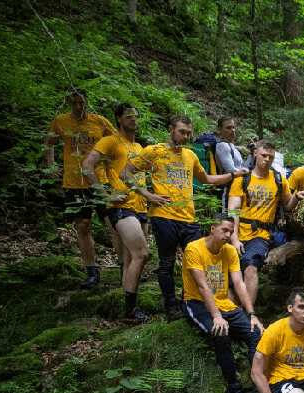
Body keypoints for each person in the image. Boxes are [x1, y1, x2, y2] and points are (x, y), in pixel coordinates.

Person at [122, 114, 248, 320]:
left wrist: (234, 174)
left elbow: (207, 179)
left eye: (189, 133)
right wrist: (147, 194)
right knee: (167, 264)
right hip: (163, 216)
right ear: (170, 129)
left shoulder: (190, 155)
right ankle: (172, 307)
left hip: (188, 218)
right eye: (182, 131)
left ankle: (195, 301)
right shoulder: (153, 151)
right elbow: (125, 173)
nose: (186, 136)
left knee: (201, 259)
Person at [182, 213, 264, 393]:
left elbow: (239, 284)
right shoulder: (194, 248)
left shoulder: (229, 251)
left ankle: (258, 387)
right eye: (224, 230)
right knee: (220, 333)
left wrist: (252, 313)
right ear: (212, 228)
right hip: (197, 303)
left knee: (257, 334)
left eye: (231, 231)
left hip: (225, 304)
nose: (228, 235)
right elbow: (201, 286)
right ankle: (235, 389)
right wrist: (216, 316)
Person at [80, 102, 150, 325]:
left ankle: (129, 311)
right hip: (121, 206)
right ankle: (130, 311)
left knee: (130, 259)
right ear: (119, 119)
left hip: (141, 208)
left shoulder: (140, 148)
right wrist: (105, 194)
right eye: (128, 116)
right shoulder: (110, 141)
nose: (133, 119)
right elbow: (87, 165)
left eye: (136, 116)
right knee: (141, 254)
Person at [44, 86, 118, 289]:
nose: (78, 106)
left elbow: (118, 143)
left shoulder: (99, 121)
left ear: (87, 101)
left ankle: (125, 267)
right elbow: (48, 142)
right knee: (83, 225)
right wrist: (51, 166)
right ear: (69, 102)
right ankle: (92, 271)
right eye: (74, 102)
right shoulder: (61, 121)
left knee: (114, 224)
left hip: (100, 180)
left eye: (81, 102)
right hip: (74, 181)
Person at [227, 139, 299, 306]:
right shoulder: (242, 179)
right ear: (255, 154)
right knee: (233, 273)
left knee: (251, 267)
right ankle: (231, 313)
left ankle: (249, 314)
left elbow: (287, 205)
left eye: (271, 157)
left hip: (261, 234)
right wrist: (234, 238)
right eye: (264, 155)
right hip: (239, 231)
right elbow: (233, 211)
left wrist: (297, 196)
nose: (267, 159)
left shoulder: (279, 179)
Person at [214, 117, 249, 210]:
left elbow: (243, 166)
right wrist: (249, 173)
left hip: (236, 187)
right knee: (226, 217)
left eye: (233, 127)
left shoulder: (232, 146)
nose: (232, 130)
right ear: (219, 130)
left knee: (235, 217)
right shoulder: (222, 146)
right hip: (227, 188)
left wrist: (253, 154)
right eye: (228, 128)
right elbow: (230, 170)